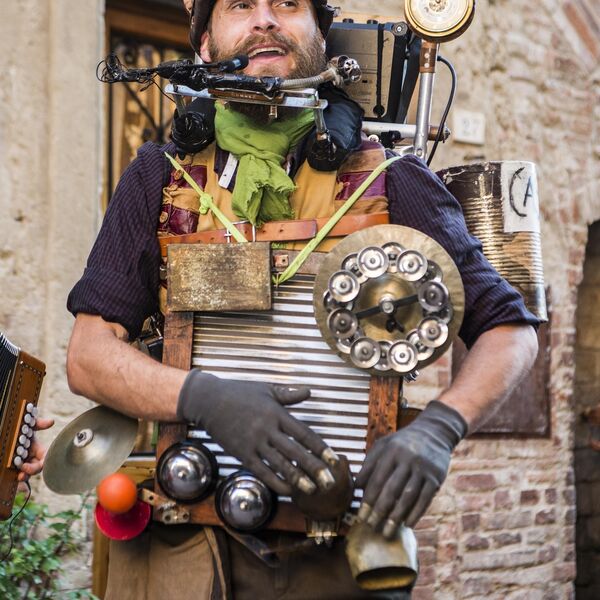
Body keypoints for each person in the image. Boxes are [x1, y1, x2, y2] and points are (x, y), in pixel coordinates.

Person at [65, 1, 539, 598]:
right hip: (186, 547)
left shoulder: (393, 180)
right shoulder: (161, 178)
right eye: (240, 5)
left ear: (322, 35)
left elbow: (511, 332)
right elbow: (87, 356)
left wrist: (441, 426)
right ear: (205, 45)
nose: (265, 20)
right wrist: (205, 398)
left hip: (341, 557)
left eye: (287, 4)